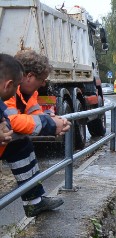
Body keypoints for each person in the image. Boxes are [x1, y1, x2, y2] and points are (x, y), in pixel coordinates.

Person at [3, 50, 70, 217]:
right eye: (41, 80)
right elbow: (13, 121)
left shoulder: (27, 92)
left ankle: (35, 200)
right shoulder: (8, 90)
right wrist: (50, 125)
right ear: (29, 76)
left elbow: (34, 113)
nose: (42, 85)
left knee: (21, 144)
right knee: (19, 141)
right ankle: (34, 201)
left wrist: (53, 120)